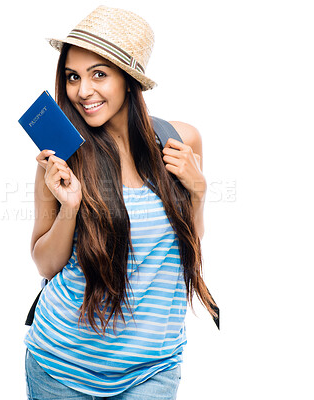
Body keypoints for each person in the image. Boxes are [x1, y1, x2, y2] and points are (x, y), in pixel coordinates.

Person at [24, 5, 217, 400]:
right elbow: (44, 263)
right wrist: (71, 208)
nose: (82, 91)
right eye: (73, 76)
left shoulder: (182, 141)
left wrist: (198, 190)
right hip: (60, 364)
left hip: (152, 367)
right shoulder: (60, 155)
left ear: (130, 81)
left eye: (99, 74)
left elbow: (189, 248)